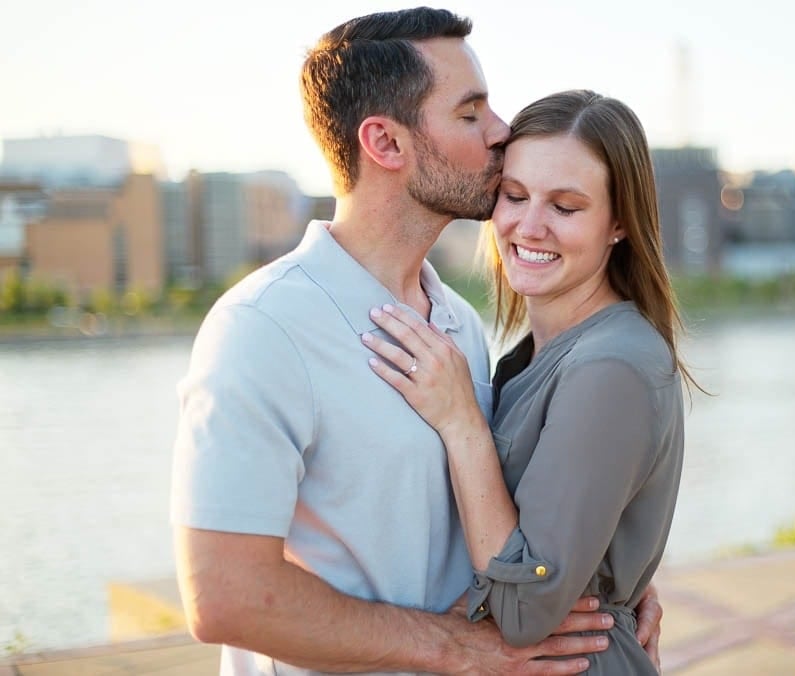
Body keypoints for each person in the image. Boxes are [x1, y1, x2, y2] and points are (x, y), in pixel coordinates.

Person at [169, 8, 662, 675]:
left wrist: (608, 572)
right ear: (387, 144)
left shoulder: (460, 322)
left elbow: (503, 508)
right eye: (470, 114)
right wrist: (453, 647)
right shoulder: (263, 330)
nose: (502, 131)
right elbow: (223, 597)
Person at [361, 89, 692, 674]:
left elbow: (523, 612)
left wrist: (462, 420)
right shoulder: (532, 353)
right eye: (514, 196)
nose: (529, 226)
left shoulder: (609, 367)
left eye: (565, 207)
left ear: (619, 223)